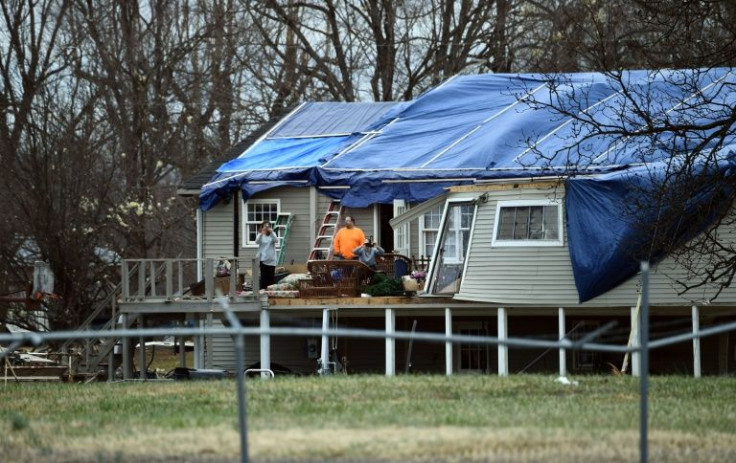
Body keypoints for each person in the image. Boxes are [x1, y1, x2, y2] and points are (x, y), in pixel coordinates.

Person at [255, 220, 278, 289]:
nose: (266, 227)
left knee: (271, 277)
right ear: (262, 227)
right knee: (263, 277)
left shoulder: (272, 235)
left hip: (271, 259)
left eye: (268, 226)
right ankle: (263, 291)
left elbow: (276, 240)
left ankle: (271, 292)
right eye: (265, 226)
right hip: (263, 259)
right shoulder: (261, 235)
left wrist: (271, 232)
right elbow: (257, 241)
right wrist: (261, 233)